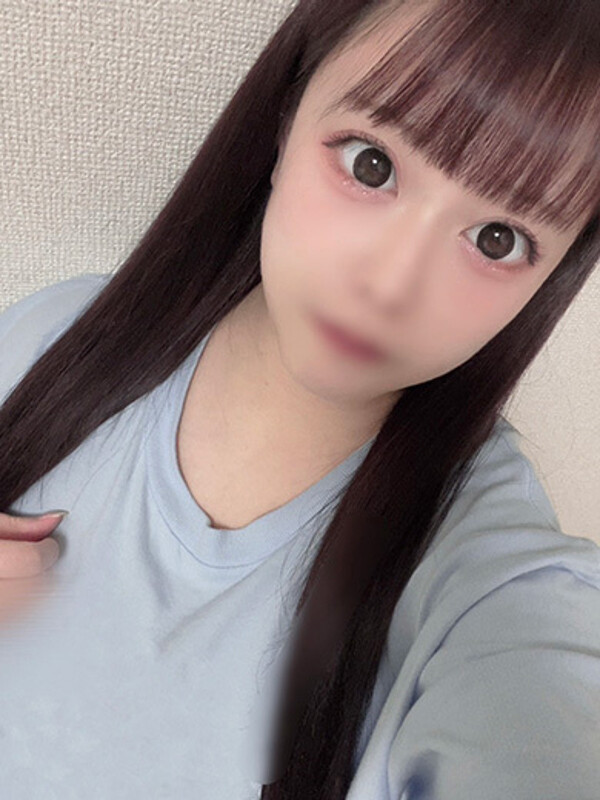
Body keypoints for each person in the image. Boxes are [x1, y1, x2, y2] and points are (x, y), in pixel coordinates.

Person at [0, 0, 599, 796]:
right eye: (371, 165)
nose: (389, 286)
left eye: (499, 239)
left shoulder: (489, 585)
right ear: (284, 120)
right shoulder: (53, 336)